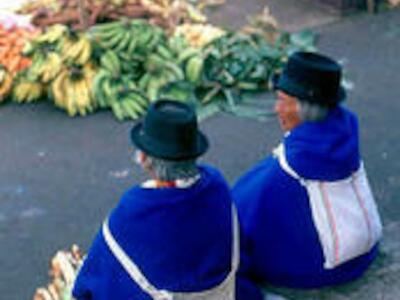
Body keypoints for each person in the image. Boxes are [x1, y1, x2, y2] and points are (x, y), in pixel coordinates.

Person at [233, 51, 382, 290]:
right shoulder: (345, 130)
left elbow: (244, 211)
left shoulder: (292, 167)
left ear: (306, 108)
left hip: (319, 269)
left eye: (283, 100)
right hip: (364, 251)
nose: (276, 108)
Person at [72, 100, 241, 300]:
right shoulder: (218, 188)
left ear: (144, 158)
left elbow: (91, 284)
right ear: (193, 154)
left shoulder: (134, 213)